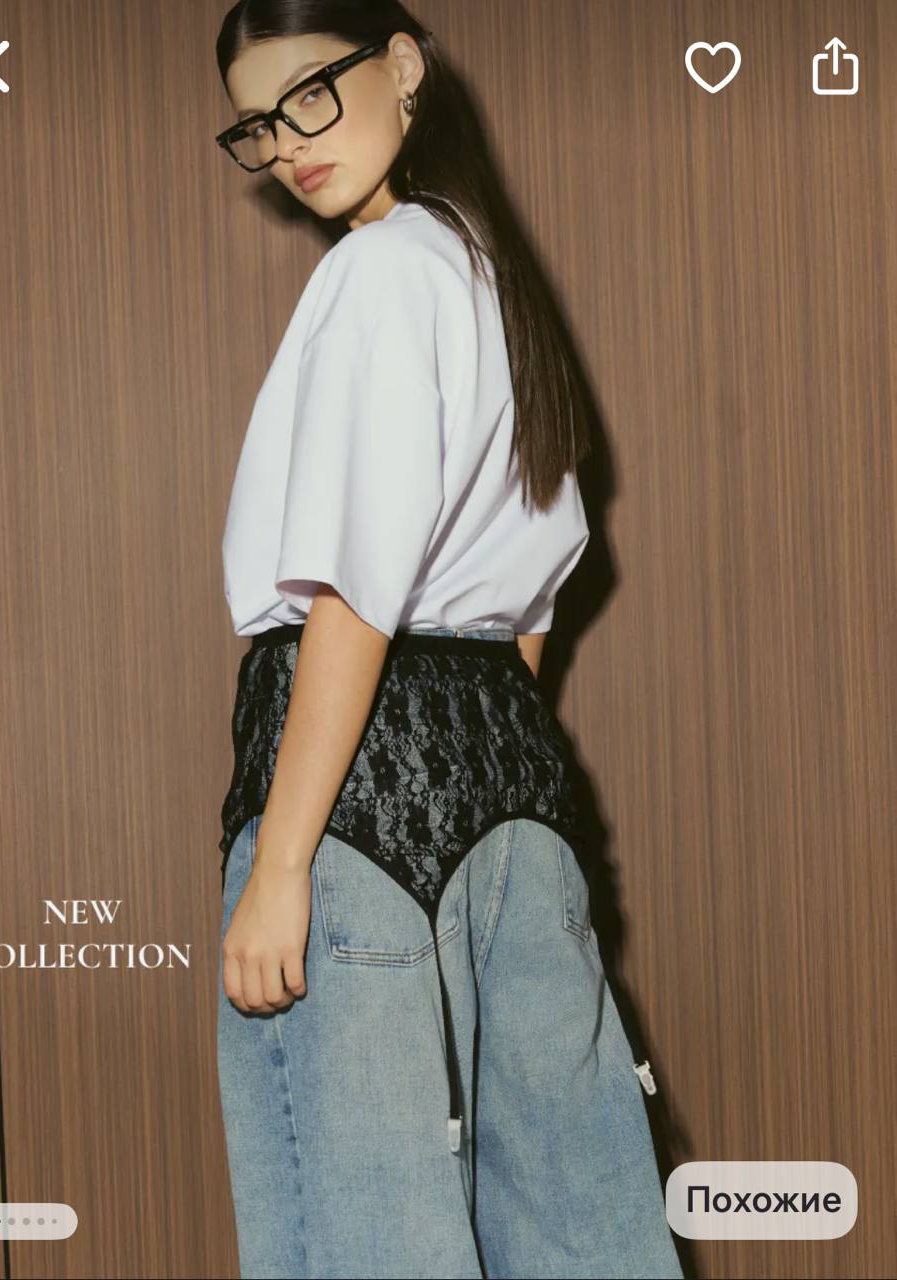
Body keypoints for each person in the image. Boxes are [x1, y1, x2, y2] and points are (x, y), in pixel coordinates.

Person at [213, 4, 684, 1278]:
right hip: (515, 803)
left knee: (367, 1242)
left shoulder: (376, 272)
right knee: (580, 1226)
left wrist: (284, 863)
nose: (288, 143)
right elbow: (526, 616)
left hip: (356, 798)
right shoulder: (491, 279)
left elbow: (355, 597)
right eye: (258, 125)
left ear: (403, 64)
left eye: (310, 94)